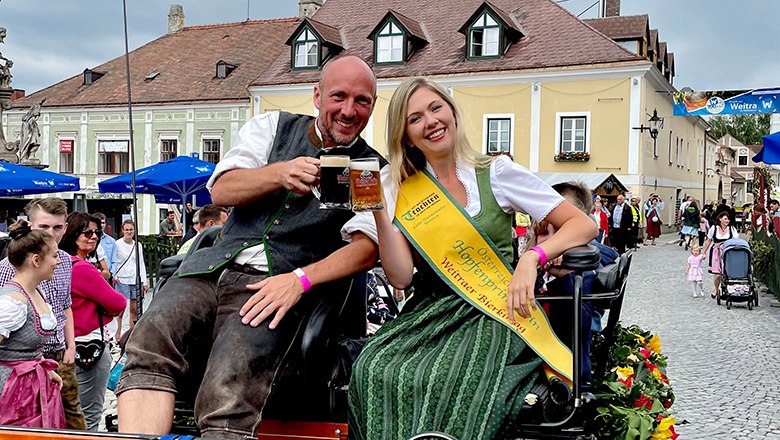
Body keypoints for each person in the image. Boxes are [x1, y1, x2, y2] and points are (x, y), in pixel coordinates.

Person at [116, 55, 386, 439]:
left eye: (362, 101)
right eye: (338, 96)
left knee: (229, 386)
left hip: (275, 283)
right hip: (208, 268)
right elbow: (221, 189)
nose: (348, 110)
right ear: (317, 95)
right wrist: (279, 172)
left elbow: (366, 249)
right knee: (149, 339)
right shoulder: (272, 127)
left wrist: (299, 281)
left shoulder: (369, 168)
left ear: (372, 106)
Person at [347, 77, 597, 440]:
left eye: (436, 108)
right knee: (372, 368)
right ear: (406, 136)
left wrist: (531, 258)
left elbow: (582, 225)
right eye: (415, 118)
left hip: (496, 311)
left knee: (461, 377)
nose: (430, 121)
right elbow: (400, 278)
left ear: (452, 113)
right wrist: (380, 213)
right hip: (430, 312)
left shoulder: (497, 173)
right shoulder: (399, 186)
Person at [0, 198, 86, 429]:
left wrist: (70, 346)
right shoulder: (11, 286)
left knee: (69, 418)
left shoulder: (62, 264)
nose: (52, 233)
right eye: (44, 227)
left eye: (57, 227)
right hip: (16, 383)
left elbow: (65, 304)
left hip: (49, 361)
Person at [59, 212, 127, 431]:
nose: (94, 236)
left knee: (68, 414)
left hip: (65, 346)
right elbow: (118, 302)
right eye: (86, 232)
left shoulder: (60, 265)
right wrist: (105, 312)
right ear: (72, 234)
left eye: (96, 232)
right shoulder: (83, 269)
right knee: (89, 415)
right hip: (89, 346)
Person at [0, 220, 65, 428]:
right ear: (36, 260)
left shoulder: (37, 292)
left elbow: (27, 346)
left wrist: (45, 368)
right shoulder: (12, 302)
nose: (58, 261)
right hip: (12, 391)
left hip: (33, 386)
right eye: (54, 256)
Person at [113, 220, 148, 343]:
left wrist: (144, 281)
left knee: (134, 309)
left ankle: (131, 336)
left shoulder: (138, 245)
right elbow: (114, 261)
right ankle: (117, 336)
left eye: (131, 229)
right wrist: (114, 275)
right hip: (122, 278)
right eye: (127, 229)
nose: (129, 232)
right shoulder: (117, 244)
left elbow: (141, 263)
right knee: (120, 310)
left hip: (135, 278)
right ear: (123, 230)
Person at [702, 211, 739, 300]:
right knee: (717, 274)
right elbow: (708, 241)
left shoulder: (732, 229)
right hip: (716, 251)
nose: (727, 221)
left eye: (728, 219)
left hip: (728, 251)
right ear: (720, 219)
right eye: (725, 219)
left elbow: (737, 240)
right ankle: (716, 288)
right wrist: (703, 252)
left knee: (727, 272)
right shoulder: (714, 228)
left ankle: (729, 289)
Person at [93, 212, 117, 277]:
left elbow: (114, 260)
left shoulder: (111, 241)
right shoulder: (89, 239)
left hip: (107, 275)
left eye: (103, 223)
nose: (101, 225)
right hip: (93, 273)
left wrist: (111, 275)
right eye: (99, 223)